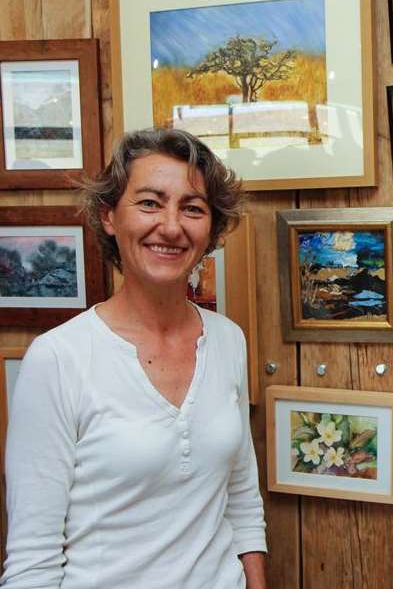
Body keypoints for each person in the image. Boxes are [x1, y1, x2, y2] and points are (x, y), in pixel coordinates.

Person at [1, 128, 267, 588]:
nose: (170, 225)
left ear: (211, 228)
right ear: (108, 216)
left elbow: (241, 499)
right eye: (149, 202)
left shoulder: (227, 341)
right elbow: (32, 559)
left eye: (192, 208)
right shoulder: (59, 359)